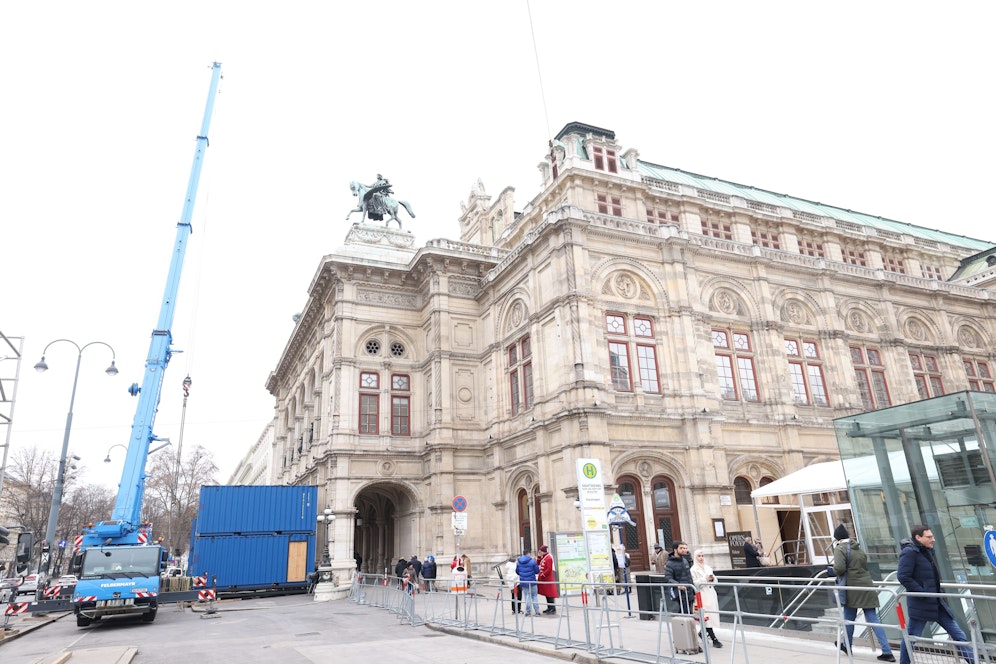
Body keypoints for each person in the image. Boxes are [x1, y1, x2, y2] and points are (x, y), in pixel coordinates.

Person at [897, 525, 975, 664]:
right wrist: (923, 593)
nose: (933, 539)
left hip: (937, 603)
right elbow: (903, 576)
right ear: (918, 537)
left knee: (959, 636)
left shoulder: (927, 551)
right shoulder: (910, 552)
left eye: (932, 536)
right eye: (929, 537)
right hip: (922, 604)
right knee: (911, 639)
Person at [831, 524, 894, 661]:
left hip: (852, 589)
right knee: (873, 619)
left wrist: (832, 571)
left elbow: (840, 569)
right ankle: (887, 651)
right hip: (867, 586)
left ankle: (846, 645)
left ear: (837, 538)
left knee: (848, 619)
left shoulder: (839, 549)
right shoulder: (858, 549)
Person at [691, 549, 723, 648]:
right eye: (699, 556)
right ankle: (714, 639)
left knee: (711, 617)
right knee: (706, 618)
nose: (701, 558)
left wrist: (712, 579)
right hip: (702, 595)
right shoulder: (693, 569)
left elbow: (715, 581)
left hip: (711, 594)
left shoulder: (708, 567)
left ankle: (703, 633)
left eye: (702, 556)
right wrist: (705, 579)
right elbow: (694, 583)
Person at [663, 541, 695, 614]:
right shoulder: (670, 563)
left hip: (689, 590)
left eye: (685, 548)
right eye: (681, 548)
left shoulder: (685, 560)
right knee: (685, 612)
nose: (684, 550)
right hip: (680, 592)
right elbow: (668, 577)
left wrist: (693, 591)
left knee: (687, 612)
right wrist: (677, 585)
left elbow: (689, 576)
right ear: (675, 549)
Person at [516, 550, 541, 616]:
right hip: (532, 581)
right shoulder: (532, 561)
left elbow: (517, 572)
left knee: (527, 596)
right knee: (534, 596)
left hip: (523, 582)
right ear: (528, 553)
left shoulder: (519, 562)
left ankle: (528, 611)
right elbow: (537, 571)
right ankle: (537, 611)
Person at [537, 544, 559, 614]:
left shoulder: (548, 558)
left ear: (543, 551)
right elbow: (538, 563)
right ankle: (549, 607)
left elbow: (549, 569)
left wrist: (543, 574)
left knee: (550, 594)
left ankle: (552, 608)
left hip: (547, 578)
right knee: (547, 594)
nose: (539, 552)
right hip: (544, 579)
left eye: (540, 551)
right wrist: (539, 556)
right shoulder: (544, 557)